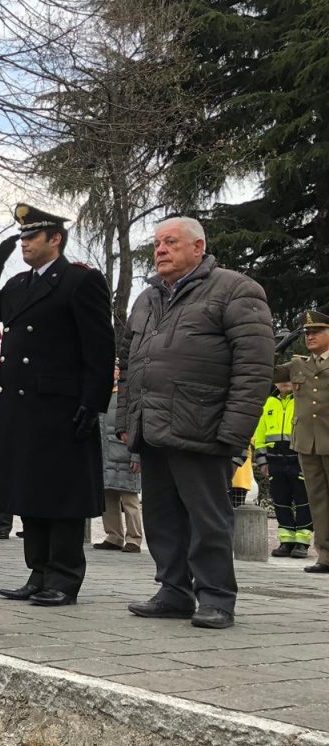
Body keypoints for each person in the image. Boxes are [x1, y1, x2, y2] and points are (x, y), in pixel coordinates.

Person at [117, 216, 274, 627]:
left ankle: (217, 598)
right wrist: (126, 420)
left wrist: (235, 430)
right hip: (152, 426)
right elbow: (129, 363)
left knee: (207, 518)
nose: (161, 250)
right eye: (157, 243)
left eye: (171, 242)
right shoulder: (147, 299)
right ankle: (173, 591)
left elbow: (255, 368)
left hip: (204, 425)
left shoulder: (236, 290)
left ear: (198, 248)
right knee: (162, 516)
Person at [0, 203, 114, 607]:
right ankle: (38, 571)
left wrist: (92, 402)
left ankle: (64, 577)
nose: (24, 244)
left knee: (60, 495)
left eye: (32, 237)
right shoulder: (19, 285)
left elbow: (99, 348)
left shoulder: (79, 281)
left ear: (55, 239)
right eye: (21, 238)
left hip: (61, 405)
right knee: (29, 492)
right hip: (20, 405)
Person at [282, 310, 329, 573]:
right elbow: (266, 371)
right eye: (307, 333)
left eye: (317, 332)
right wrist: (277, 347)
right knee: (318, 499)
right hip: (307, 442)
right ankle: (325, 555)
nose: (310, 336)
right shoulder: (299, 364)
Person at [254, 364, 311, 558]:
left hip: (298, 458)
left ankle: (302, 542)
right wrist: (262, 461)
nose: (284, 383)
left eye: (288, 379)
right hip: (275, 460)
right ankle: (286, 540)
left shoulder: (303, 401)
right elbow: (260, 434)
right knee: (281, 501)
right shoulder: (269, 403)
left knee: (303, 501)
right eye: (280, 380)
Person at [98, 368, 142, 553]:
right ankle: (113, 535)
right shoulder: (101, 393)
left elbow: (136, 425)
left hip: (124, 453)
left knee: (129, 499)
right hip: (104, 454)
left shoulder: (128, 395)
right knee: (107, 497)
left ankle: (134, 538)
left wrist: (136, 454)